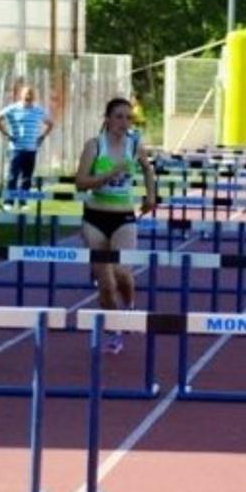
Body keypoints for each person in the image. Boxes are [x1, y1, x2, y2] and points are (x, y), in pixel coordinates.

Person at [73, 98, 158, 354]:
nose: (124, 123)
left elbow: (147, 170)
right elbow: (80, 183)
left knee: (122, 271)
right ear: (107, 119)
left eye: (128, 118)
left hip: (123, 217)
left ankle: (130, 306)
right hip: (95, 217)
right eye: (119, 117)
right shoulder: (94, 146)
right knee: (106, 283)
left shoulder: (134, 145)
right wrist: (109, 174)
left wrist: (151, 196)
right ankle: (114, 331)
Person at [0, 86, 55, 210]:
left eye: (31, 94)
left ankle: (22, 202)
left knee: (27, 177)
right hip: (16, 149)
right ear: (21, 95)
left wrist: (42, 137)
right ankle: (9, 202)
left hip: (31, 149)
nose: (29, 96)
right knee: (12, 176)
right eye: (26, 94)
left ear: (34, 96)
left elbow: (51, 124)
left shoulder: (38, 110)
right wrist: (6, 134)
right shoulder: (13, 108)